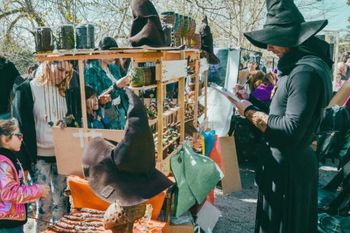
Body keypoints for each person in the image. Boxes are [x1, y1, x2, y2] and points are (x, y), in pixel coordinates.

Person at [231, 0, 333, 232]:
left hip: (290, 174)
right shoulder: (301, 67)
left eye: (272, 39)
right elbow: (283, 112)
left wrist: (248, 111)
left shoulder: (304, 72)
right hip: (286, 168)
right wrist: (252, 100)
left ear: (289, 37)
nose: (268, 48)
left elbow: (290, 128)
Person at [12, 61, 73, 232]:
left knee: (62, 202)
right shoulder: (26, 89)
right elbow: (19, 126)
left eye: (67, 73)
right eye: (60, 69)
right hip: (38, 156)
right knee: (44, 204)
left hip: (62, 154)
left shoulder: (65, 90)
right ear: (47, 65)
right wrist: (23, 163)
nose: (62, 75)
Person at [0, 118, 49, 233]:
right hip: (7, 223)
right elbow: (9, 193)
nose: (22, 139)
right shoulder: (3, 163)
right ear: (5, 138)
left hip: (12, 219)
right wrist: (37, 190)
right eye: (18, 136)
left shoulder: (9, 157)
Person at [84, 37, 129, 129]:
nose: (113, 56)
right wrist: (116, 86)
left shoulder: (114, 68)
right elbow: (93, 98)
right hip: (106, 113)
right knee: (112, 140)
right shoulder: (91, 71)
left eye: (115, 53)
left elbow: (122, 91)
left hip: (121, 111)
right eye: (110, 53)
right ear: (101, 51)